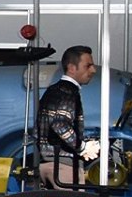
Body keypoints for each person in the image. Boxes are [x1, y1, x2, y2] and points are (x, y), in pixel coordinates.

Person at [33, 45, 98, 185]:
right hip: (64, 166)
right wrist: (82, 146)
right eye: (88, 66)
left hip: (48, 161)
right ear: (72, 68)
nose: (93, 70)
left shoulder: (54, 90)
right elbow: (60, 124)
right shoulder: (68, 92)